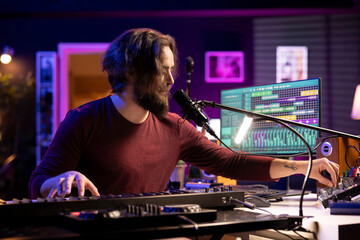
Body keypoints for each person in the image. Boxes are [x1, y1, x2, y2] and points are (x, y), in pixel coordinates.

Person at [29, 28, 339, 199]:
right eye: (161, 71)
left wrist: (302, 166)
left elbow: (231, 162)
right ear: (132, 72)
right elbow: (38, 182)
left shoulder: (173, 127)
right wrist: (60, 178)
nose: (169, 80)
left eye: (171, 70)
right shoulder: (84, 120)